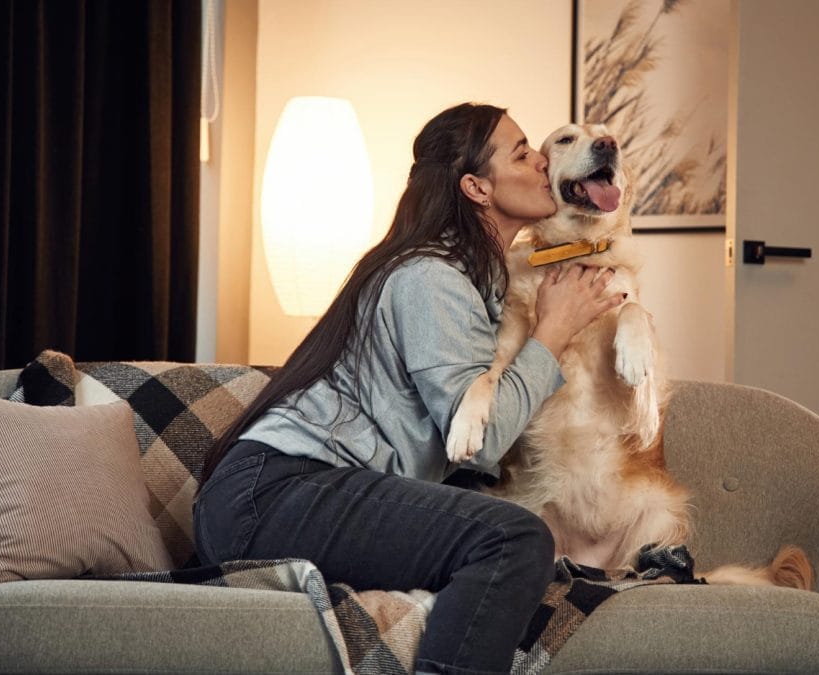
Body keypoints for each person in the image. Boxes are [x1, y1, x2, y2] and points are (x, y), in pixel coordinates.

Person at [193, 102, 623, 675]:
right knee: (515, 539)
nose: (543, 162)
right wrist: (553, 331)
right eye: (522, 154)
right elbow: (482, 441)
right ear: (476, 187)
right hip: (274, 494)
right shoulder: (431, 277)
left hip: (287, 494)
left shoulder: (475, 281)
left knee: (500, 527)